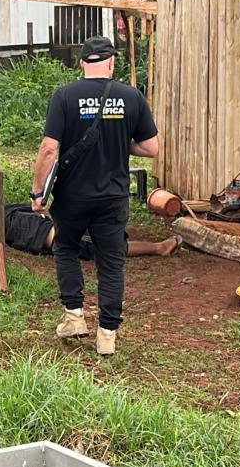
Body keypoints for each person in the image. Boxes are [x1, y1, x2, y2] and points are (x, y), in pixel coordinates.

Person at [30, 36, 159, 354]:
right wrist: (118, 139)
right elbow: (151, 148)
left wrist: (38, 191)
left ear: (82, 63)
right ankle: (107, 336)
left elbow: (49, 148)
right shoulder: (131, 96)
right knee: (111, 262)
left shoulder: (64, 96)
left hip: (72, 195)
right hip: (113, 197)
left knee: (66, 248)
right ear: (112, 62)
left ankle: (74, 317)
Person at [0, 203, 181, 259]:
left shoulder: (3, 231)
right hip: (59, 234)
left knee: (107, 244)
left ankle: (157, 247)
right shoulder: (2, 215)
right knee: (110, 246)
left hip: (53, 239)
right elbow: (32, 210)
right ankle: (158, 248)